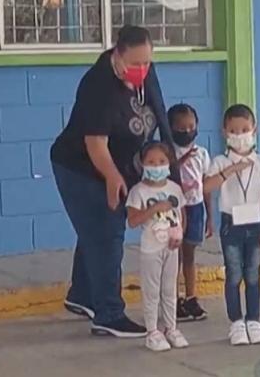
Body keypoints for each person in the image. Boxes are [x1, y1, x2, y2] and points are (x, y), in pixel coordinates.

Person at [49, 25, 174, 338]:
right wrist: (112, 176)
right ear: (117, 55)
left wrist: (169, 165)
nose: (141, 70)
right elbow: (95, 144)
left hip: (120, 164)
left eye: (147, 63)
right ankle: (108, 314)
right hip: (80, 166)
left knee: (94, 229)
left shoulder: (146, 71)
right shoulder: (99, 84)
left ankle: (81, 295)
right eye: (135, 64)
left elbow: (159, 113)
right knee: (107, 232)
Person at [202, 104, 260, 346]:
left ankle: (254, 320)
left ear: (255, 129)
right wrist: (230, 170)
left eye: (245, 129)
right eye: (234, 130)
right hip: (231, 224)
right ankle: (236, 322)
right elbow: (206, 187)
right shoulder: (220, 161)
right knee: (234, 273)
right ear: (224, 132)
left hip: (256, 223)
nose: (240, 134)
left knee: (253, 274)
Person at [127, 142, 189, 352]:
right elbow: (133, 220)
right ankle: (152, 331)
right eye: (151, 162)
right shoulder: (138, 191)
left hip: (171, 247)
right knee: (152, 291)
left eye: (162, 162)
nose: (157, 166)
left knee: (169, 289)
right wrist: (154, 209)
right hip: (151, 248)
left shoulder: (174, 189)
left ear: (169, 163)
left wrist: (179, 236)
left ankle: (171, 327)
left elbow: (181, 215)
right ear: (142, 164)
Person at [168, 103, 213, 323]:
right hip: (175, 210)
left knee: (190, 255)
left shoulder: (202, 154)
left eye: (191, 126)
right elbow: (164, 172)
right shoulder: (167, 152)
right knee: (173, 257)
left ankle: (191, 297)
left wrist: (210, 215)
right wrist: (181, 161)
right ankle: (173, 299)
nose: (187, 131)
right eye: (181, 127)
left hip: (195, 208)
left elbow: (205, 185)